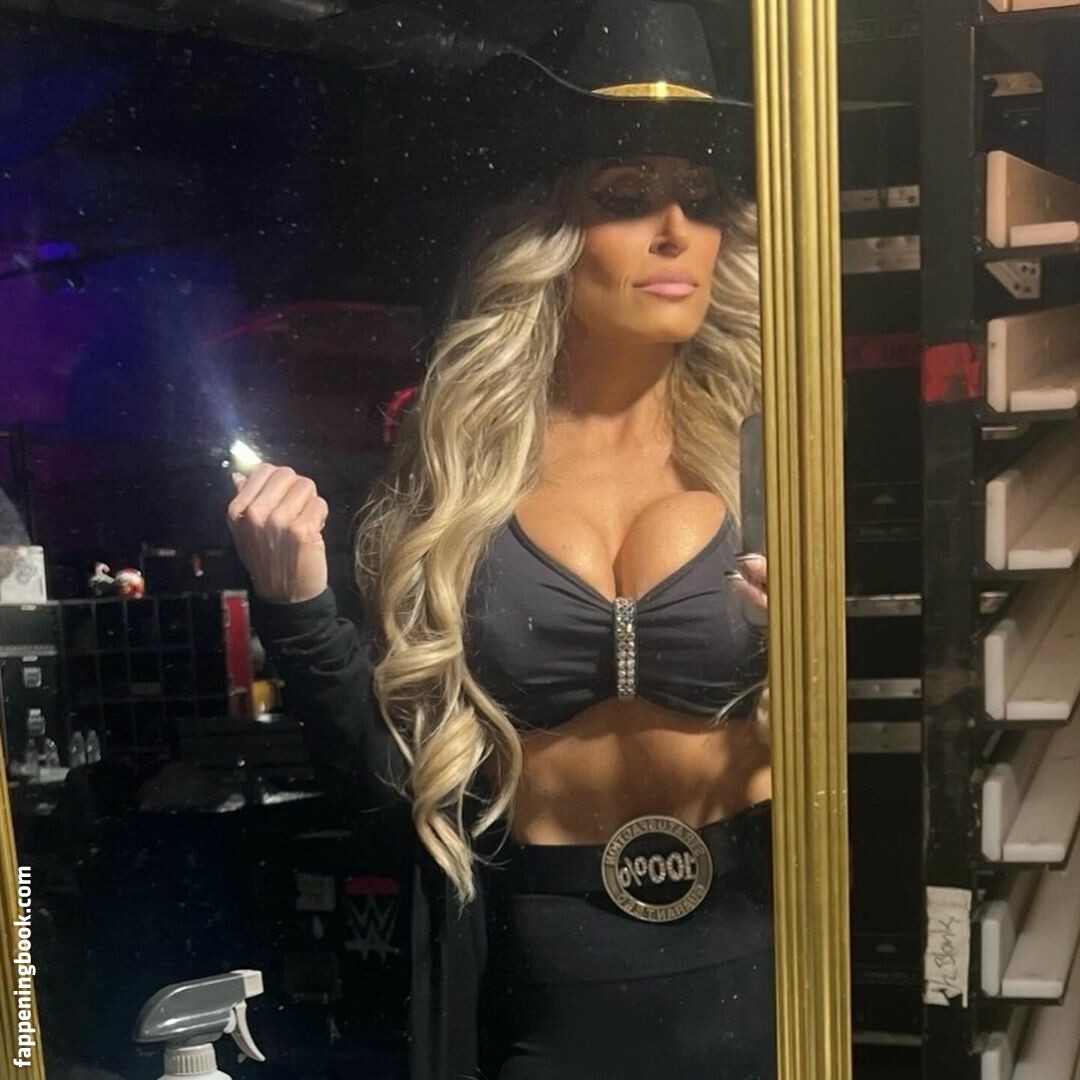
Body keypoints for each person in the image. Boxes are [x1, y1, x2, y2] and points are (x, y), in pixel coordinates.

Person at [228, 3, 772, 1077]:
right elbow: (393, 788)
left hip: (764, 946)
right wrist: (299, 616)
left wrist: (823, 656)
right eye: (627, 198)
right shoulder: (464, 478)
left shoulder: (775, 455)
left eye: (701, 200)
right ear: (553, 233)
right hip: (551, 982)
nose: (675, 231)